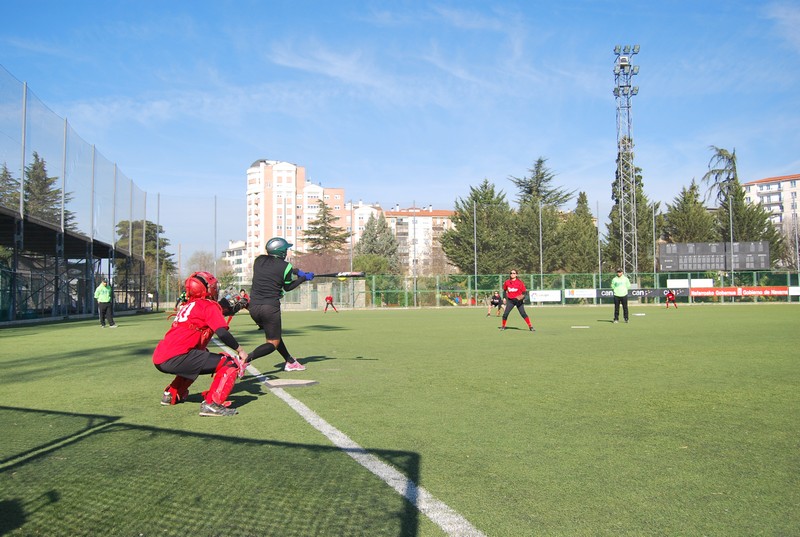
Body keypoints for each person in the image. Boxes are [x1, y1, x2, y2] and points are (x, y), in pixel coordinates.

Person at [152, 271, 250, 417]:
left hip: (161, 357)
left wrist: (225, 307)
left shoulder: (188, 305)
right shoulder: (208, 305)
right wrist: (240, 350)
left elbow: (206, 314)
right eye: (213, 286)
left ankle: (171, 394)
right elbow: (222, 332)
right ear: (206, 289)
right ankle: (212, 404)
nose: (215, 289)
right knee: (230, 363)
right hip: (177, 356)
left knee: (200, 356)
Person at [247, 237, 314, 372]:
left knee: (274, 335)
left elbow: (273, 269)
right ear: (282, 252)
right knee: (273, 343)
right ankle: (245, 359)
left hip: (253, 308)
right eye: (286, 250)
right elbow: (288, 287)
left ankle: (290, 361)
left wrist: (295, 271)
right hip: (269, 308)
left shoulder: (258, 261)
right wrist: (303, 278)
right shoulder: (286, 266)